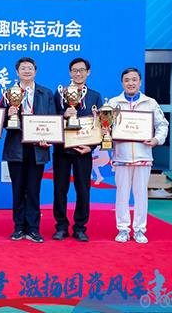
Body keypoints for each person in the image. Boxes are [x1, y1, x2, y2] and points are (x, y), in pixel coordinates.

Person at [109, 68, 168, 244]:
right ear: (122, 83)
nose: (131, 83)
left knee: (141, 194)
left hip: (143, 156)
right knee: (122, 195)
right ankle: (123, 229)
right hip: (121, 157)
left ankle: (140, 229)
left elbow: (162, 124)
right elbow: (106, 126)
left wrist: (156, 139)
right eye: (127, 80)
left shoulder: (150, 103)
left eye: (134, 79)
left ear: (140, 82)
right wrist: (107, 133)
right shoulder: (113, 103)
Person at [2, 57, 56, 243]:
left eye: (30, 68)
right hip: (16, 147)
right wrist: (7, 115)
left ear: (35, 71)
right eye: (23, 68)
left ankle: (33, 228)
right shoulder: (8, 93)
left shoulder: (46, 93)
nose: (27, 71)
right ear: (17, 72)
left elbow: (52, 120)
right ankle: (19, 227)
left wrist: (49, 138)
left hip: (37, 148)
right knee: (18, 189)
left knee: (33, 189)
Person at [52, 58, 102, 242]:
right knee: (60, 189)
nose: (78, 73)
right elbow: (50, 118)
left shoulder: (95, 96)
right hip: (62, 149)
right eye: (74, 70)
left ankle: (80, 227)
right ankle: (61, 226)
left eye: (81, 70)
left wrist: (91, 146)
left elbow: (100, 125)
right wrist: (62, 114)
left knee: (83, 189)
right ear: (69, 72)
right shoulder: (60, 94)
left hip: (84, 151)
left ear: (88, 72)